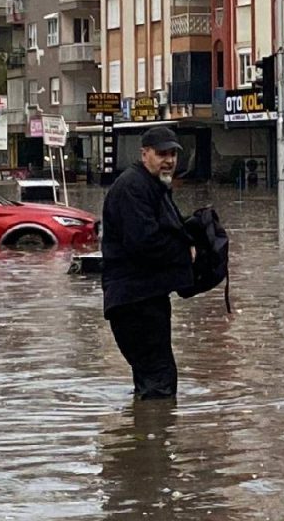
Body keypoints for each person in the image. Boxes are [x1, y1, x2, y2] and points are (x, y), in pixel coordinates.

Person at [102, 126, 195, 399]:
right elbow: (144, 242)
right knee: (159, 383)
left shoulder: (154, 185)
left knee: (152, 379)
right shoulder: (133, 187)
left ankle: (141, 436)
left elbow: (167, 228)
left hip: (145, 297)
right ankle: (155, 436)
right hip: (134, 302)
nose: (169, 160)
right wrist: (184, 252)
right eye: (161, 154)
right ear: (145, 154)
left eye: (173, 154)